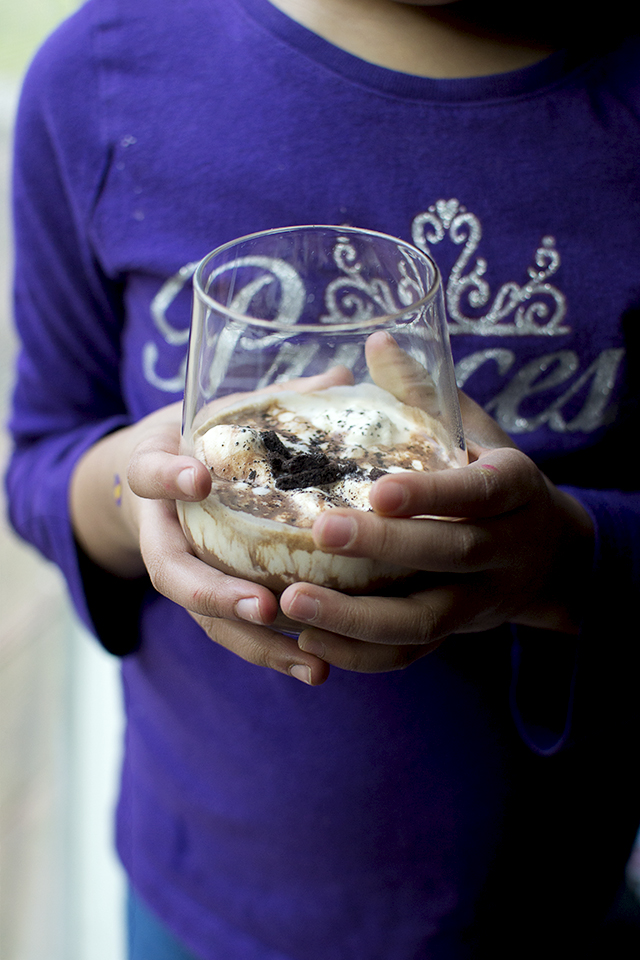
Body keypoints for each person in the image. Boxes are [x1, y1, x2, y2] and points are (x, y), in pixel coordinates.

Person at [6, 0, 640, 956]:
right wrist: (133, 487)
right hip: (203, 903)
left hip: (550, 905)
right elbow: (42, 454)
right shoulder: (106, 73)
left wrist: (562, 560)